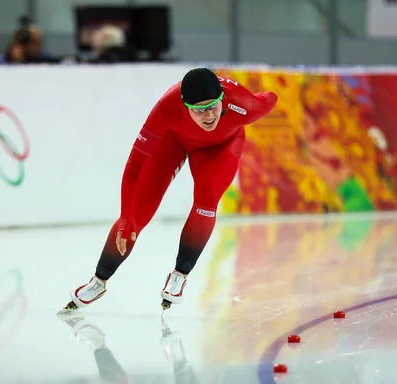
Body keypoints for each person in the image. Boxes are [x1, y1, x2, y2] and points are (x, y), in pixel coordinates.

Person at [63, 68, 278, 312]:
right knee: (136, 214)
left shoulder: (244, 105)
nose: (208, 116)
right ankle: (98, 281)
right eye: (198, 110)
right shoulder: (166, 107)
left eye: (213, 107)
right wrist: (125, 216)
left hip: (221, 146)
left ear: (223, 101)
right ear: (184, 105)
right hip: (173, 140)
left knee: (207, 200)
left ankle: (180, 274)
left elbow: (271, 97)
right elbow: (135, 164)